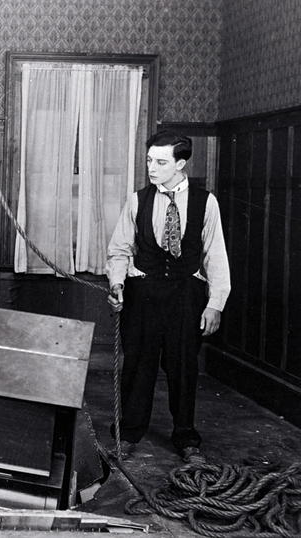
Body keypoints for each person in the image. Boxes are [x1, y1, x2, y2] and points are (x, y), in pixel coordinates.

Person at [106, 130, 230, 462]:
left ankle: (186, 438)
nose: (152, 168)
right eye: (149, 160)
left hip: (185, 298)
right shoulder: (137, 200)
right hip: (143, 296)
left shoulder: (207, 202)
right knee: (138, 366)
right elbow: (119, 250)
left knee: (183, 368)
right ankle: (129, 434)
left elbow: (215, 257)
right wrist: (117, 283)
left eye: (161, 162)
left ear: (180, 163)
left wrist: (215, 303)